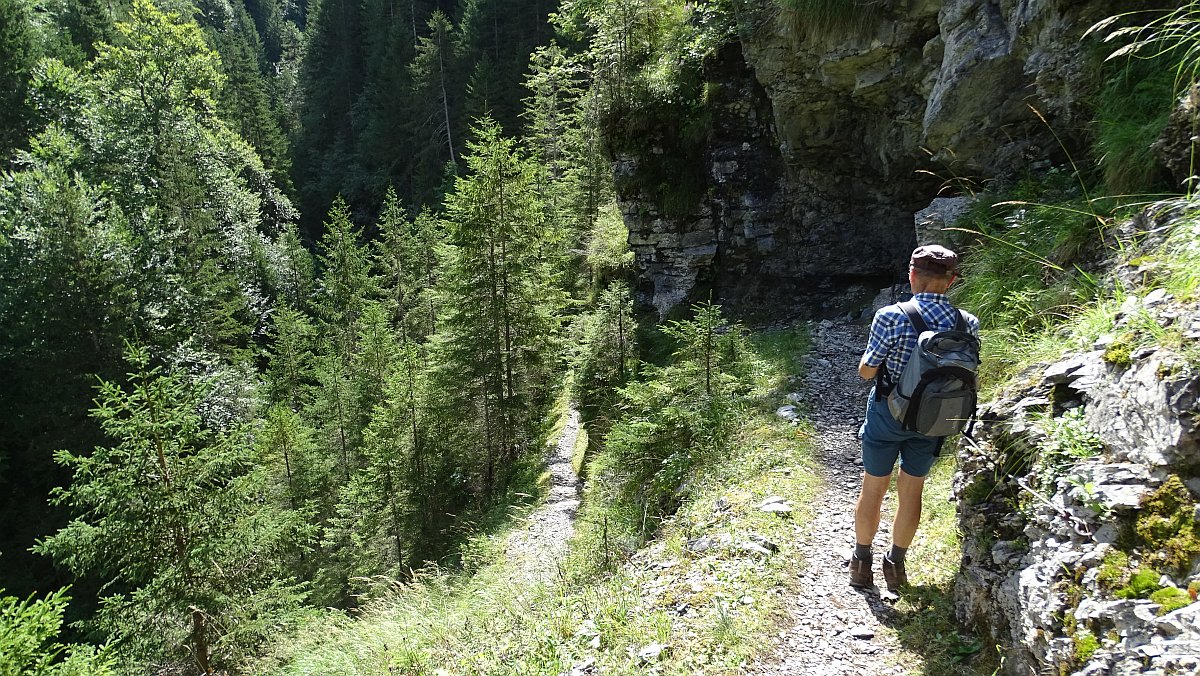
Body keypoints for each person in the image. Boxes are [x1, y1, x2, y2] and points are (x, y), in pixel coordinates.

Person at [850, 244, 979, 591]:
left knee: (874, 488)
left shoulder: (891, 315)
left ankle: (862, 563)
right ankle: (896, 564)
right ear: (950, 281)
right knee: (912, 492)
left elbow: (867, 372)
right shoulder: (967, 322)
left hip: (888, 415)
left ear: (912, 276)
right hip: (934, 419)